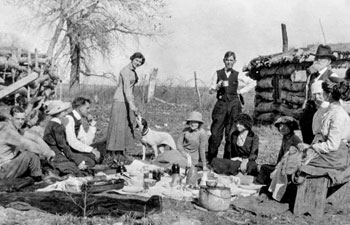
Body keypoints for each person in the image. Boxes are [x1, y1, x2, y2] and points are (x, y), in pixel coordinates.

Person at [207, 51, 256, 163]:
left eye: (231, 60)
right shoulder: (218, 73)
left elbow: (253, 83)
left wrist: (240, 91)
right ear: (224, 60)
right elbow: (210, 90)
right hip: (221, 104)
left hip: (234, 105)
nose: (229, 62)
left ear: (234, 62)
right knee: (215, 134)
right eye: (227, 60)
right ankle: (211, 160)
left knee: (231, 134)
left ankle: (227, 161)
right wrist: (217, 86)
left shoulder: (238, 74)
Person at [299, 80, 350, 169]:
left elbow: (332, 145)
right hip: (328, 153)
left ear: (329, 95)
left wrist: (311, 147)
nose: (321, 95)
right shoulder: (330, 111)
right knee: (292, 158)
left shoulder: (338, 115)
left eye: (323, 92)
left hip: (335, 157)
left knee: (297, 166)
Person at [106, 52, 145, 162]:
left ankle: (124, 152)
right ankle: (113, 154)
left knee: (128, 125)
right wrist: (132, 105)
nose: (138, 63)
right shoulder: (125, 71)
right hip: (120, 100)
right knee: (118, 126)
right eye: (137, 60)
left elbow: (132, 90)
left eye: (140, 62)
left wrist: (133, 102)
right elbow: (126, 89)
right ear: (132, 59)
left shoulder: (133, 72)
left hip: (128, 100)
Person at [0, 106, 54, 180]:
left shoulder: (15, 128)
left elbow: (35, 138)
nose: (20, 122)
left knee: (36, 151)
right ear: (10, 117)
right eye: (17, 119)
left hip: (10, 164)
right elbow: (28, 145)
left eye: (22, 119)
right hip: (3, 169)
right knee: (30, 154)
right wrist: (46, 152)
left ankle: (43, 173)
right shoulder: (8, 130)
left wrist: (48, 150)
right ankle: (37, 178)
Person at [299, 44, 339, 144]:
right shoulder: (311, 75)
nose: (318, 60)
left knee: (318, 142)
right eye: (317, 57)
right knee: (307, 141)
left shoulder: (332, 76)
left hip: (322, 112)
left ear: (329, 61)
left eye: (322, 58)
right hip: (309, 112)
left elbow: (335, 97)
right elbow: (307, 91)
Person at [43, 101, 86, 176]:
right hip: (55, 155)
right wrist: (77, 161)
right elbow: (63, 146)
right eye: (64, 112)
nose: (66, 114)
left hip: (53, 153)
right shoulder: (57, 126)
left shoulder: (51, 124)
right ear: (58, 113)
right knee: (76, 169)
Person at [255, 116, 302, 185]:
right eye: (280, 126)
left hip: (289, 168)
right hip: (281, 165)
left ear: (290, 127)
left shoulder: (294, 139)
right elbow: (281, 154)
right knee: (264, 167)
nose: (281, 128)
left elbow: (288, 157)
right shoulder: (285, 137)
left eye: (284, 126)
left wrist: (277, 169)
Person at [65, 97, 102, 169]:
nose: (89, 110)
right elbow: (72, 142)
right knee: (92, 159)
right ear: (80, 108)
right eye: (87, 108)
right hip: (67, 151)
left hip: (73, 149)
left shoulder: (77, 120)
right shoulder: (69, 119)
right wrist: (91, 150)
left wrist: (91, 124)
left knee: (99, 149)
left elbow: (86, 141)